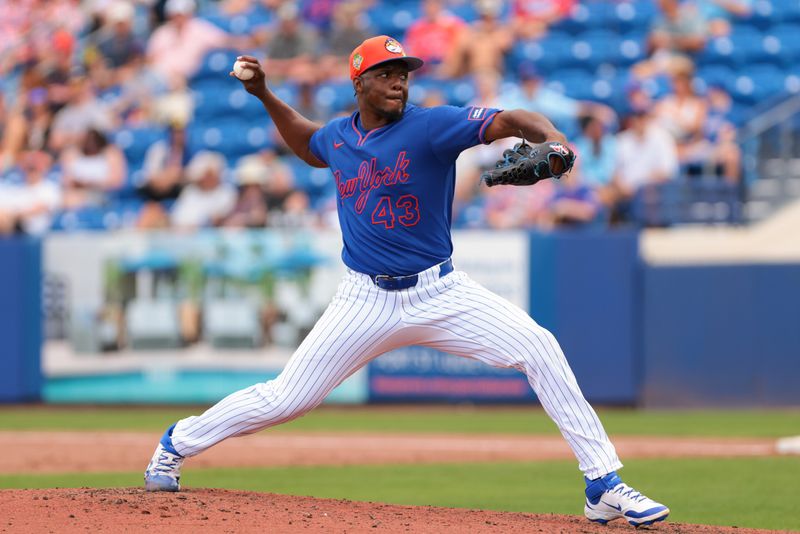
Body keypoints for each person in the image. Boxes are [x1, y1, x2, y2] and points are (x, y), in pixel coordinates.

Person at [143, 35, 670, 527]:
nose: (399, 80)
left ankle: (601, 482)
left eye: (404, 72)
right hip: (364, 299)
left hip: (441, 292)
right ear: (359, 83)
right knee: (286, 399)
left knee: (539, 346)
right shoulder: (339, 137)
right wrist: (263, 94)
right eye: (386, 72)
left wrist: (553, 139)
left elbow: (511, 119)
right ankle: (177, 441)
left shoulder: (430, 126)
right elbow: (307, 144)